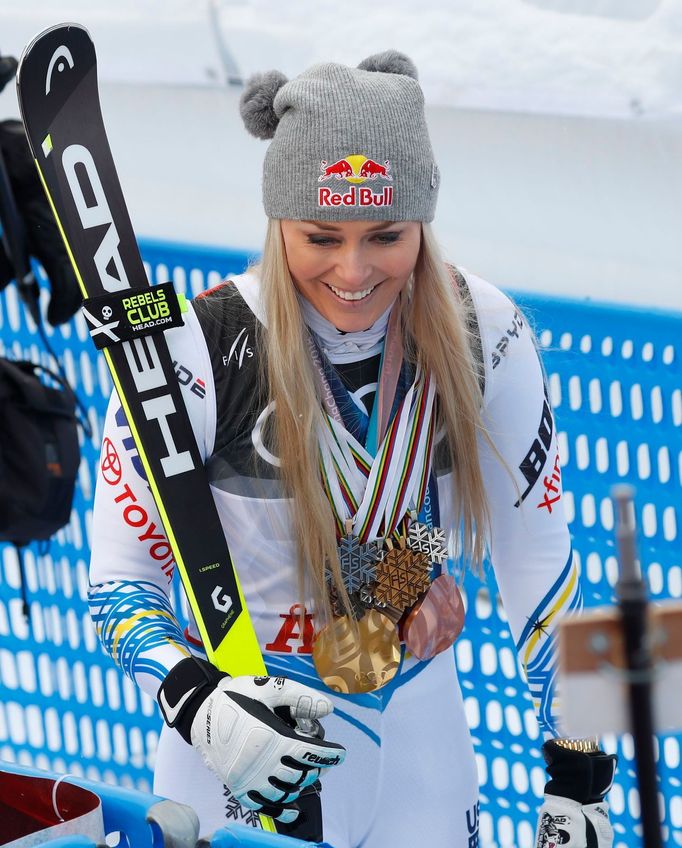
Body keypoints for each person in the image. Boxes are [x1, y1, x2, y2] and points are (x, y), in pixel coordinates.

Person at [88, 51, 616, 847]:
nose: (354, 269)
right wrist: (198, 701)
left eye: (387, 235)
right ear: (278, 224)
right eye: (320, 236)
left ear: (422, 224)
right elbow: (118, 582)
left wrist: (582, 773)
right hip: (247, 734)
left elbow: (541, 558)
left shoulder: (486, 330)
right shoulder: (199, 349)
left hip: (408, 706)